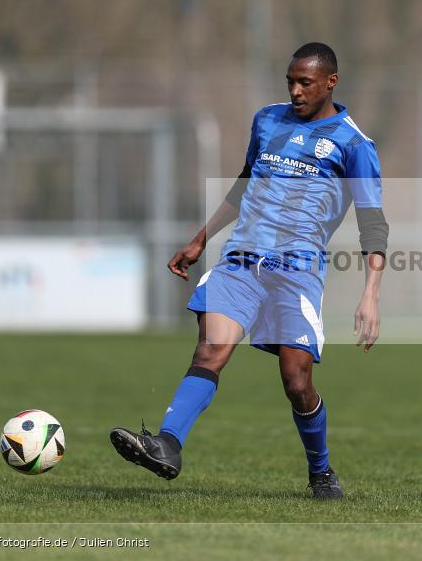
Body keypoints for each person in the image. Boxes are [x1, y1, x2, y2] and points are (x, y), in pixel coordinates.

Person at [110, 42, 388, 500]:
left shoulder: (354, 145)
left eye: (306, 83)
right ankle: (168, 444)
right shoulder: (267, 120)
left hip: (297, 272)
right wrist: (202, 237)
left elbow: (373, 224)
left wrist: (371, 293)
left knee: (297, 381)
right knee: (211, 350)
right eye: (290, 82)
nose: (295, 91)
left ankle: (321, 472)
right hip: (242, 260)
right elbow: (244, 183)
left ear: (331, 82)